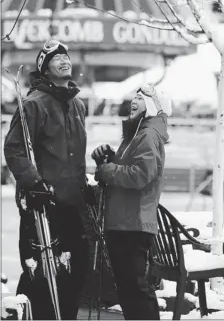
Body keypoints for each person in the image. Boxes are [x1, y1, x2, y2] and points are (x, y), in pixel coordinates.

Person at [4, 40, 90, 320]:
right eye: (56, 58)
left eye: (66, 56)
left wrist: (84, 184)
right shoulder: (33, 104)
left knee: (73, 272)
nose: (64, 60)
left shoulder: (78, 105)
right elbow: (14, 148)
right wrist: (33, 184)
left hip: (72, 202)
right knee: (40, 273)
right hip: (42, 202)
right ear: (44, 68)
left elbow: (74, 153)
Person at [91, 84, 172, 320]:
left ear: (154, 108)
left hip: (132, 224)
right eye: (134, 96)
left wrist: (108, 169)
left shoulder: (147, 134)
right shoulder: (137, 134)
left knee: (135, 288)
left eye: (141, 97)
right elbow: (129, 168)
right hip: (126, 222)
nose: (134, 100)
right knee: (129, 287)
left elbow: (140, 176)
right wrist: (109, 158)